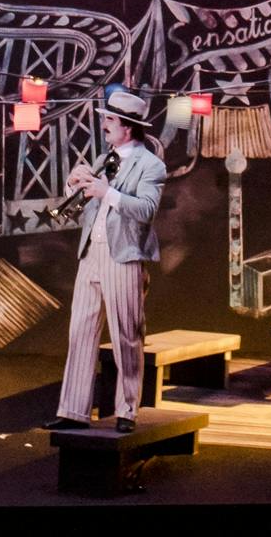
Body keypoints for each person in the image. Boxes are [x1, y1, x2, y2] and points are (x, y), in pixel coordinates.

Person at [43, 89, 167, 433]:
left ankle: (127, 410)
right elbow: (80, 206)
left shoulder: (151, 165)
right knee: (80, 332)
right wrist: (75, 184)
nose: (105, 126)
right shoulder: (104, 159)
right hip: (91, 255)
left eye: (109, 120)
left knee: (126, 335)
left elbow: (146, 210)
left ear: (127, 126)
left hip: (123, 258)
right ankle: (73, 411)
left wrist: (107, 192)